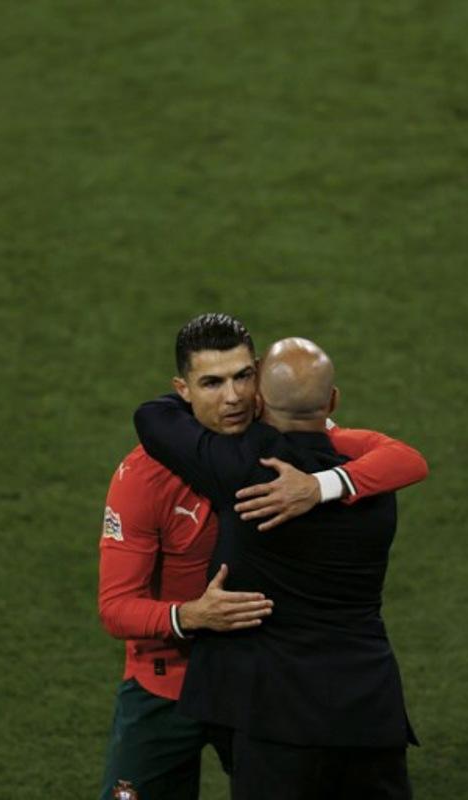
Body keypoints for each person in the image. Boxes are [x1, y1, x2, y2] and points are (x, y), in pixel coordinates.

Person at [99, 314, 428, 800]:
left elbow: (405, 459)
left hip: (254, 689)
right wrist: (190, 615)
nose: (231, 398)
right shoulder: (145, 476)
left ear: (259, 380)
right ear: (183, 389)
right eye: (210, 383)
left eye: (241, 378)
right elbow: (114, 606)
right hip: (167, 684)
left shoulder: (273, 455)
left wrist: (317, 487)